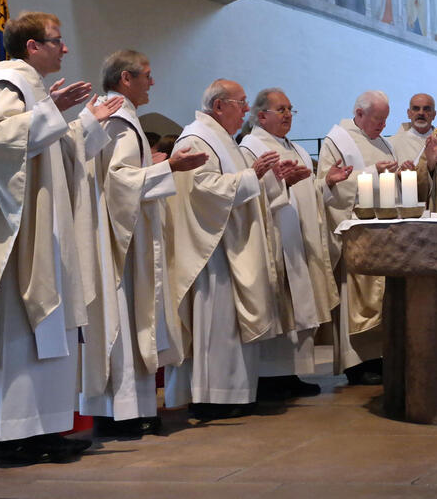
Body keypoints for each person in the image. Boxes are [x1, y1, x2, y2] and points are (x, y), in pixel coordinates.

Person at [0, 12, 106, 465]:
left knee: (51, 333)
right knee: (23, 332)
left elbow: (58, 150)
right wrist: (50, 110)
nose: (65, 48)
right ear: (31, 47)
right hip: (22, 238)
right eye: (56, 41)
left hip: (47, 229)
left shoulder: (32, 90)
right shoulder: (8, 84)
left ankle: (43, 431)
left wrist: (86, 122)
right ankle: (13, 438)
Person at [80, 50, 207, 439]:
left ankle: (130, 410)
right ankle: (122, 414)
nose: (153, 82)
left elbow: (121, 172)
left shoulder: (119, 114)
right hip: (123, 241)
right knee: (127, 318)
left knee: (134, 319)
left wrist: (151, 163)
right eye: (147, 76)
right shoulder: (117, 116)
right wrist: (169, 167)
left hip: (129, 231)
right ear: (125, 79)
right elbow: (118, 182)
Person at [164, 79, 282, 421]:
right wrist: (251, 177)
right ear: (219, 106)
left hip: (230, 244)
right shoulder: (196, 139)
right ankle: (210, 397)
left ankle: (234, 393)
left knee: (231, 325)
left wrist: (258, 177)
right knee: (216, 324)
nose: (246, 109)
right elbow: (201, 188)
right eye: (241, 102)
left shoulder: (223, 140)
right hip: (211, 252)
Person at [240, 88, 349, 400]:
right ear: (261, 116)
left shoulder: (296, 150)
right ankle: (269, 377)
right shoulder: (252, 148)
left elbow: (307, 192)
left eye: (290, 109)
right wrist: (281, 184)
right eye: (281, 109)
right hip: (275, 238)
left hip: (299, 239)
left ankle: (291, 373)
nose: (288, 115)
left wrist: (326, 182)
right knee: (281, 306)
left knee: (301, 309)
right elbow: (251, 191)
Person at [318, 91, 427, 385]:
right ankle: (356, 363)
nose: (382, 124)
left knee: (382, 299)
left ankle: (380, 358)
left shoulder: (383, 142)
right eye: (377, 119)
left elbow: (388, 184)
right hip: (356, 233)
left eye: (385, 119)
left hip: (383, 233)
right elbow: (328, 184)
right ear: (359, 113)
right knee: (357, 299)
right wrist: (369, 173)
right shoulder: (337, 140)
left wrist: (400, 173)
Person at [388, 93, 437, 165]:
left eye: (426, 109)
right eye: (416, 109)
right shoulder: (392, 143)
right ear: (409, 113)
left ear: (434, 115)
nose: (421, 113)